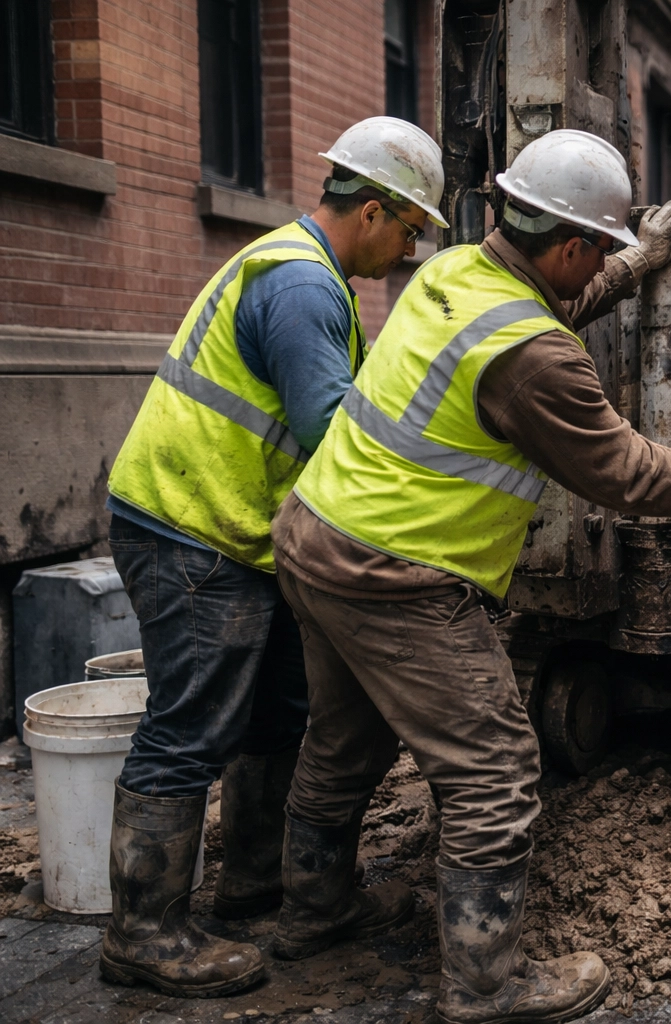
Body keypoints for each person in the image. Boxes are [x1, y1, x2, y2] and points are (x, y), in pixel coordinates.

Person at [266, 128, 671, 1024]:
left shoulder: (450, 276)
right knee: (494, 771)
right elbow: (629, 475)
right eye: (603, 247)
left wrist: (638, 265)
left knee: (343, 740)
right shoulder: (536, 359)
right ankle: (486, 986)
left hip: (314, 537)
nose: (602, 262)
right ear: (577, 242)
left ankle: (312, 912)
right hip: (395, 573)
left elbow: (548, 300)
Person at [100, 117, 446, 997]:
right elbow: (332, 433)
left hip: (237, 532)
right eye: (409, 230)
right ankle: (144, 933)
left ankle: (256, 884)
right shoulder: (299, 287)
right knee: (191, 729)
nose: (407, 251)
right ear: (371, 210)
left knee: (276, 712)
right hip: (191, 527)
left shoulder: (308, 271)